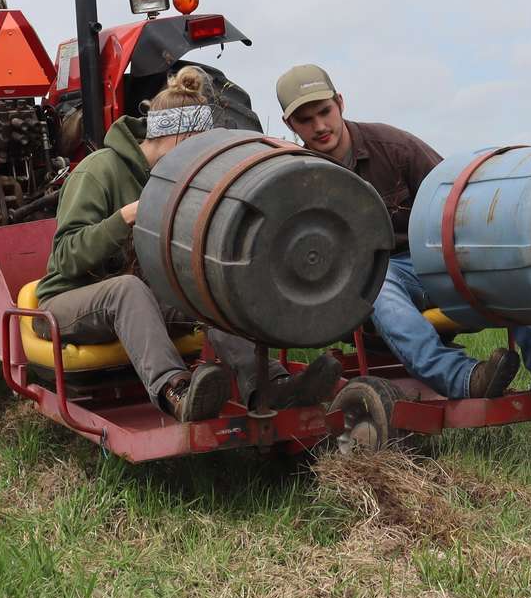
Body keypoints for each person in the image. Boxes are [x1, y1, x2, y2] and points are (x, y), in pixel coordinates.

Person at [35, 66, 341, 420]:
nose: (196, 164)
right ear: (171, 136)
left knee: (207, 289)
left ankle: (270, 385)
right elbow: (65, 259)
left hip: (141, 299)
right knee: (126, 289)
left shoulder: (176, 179)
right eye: (193, 150)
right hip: (69, 301)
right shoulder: (98, 171)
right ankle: (176, 392)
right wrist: (127, 217)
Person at [273, 64, 531, 399]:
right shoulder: (297, 177)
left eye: (325, 111)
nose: (320, 126)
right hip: (370, 281)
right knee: (377, 284)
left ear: (340, 103)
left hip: (433, 260)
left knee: (508, 258)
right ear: (289, 124)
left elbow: (456, 198)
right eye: (305, 120)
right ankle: (463, 377)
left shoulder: (394, 148)